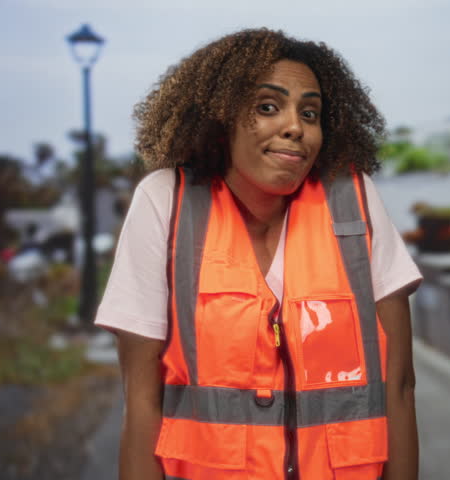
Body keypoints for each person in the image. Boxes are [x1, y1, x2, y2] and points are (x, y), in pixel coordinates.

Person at [95, 28, 422, 480]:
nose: (295, 126)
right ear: (220, 117)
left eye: (310, 113)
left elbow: (400, 388)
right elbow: (142, 402)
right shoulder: (166, 202)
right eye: (268, 107)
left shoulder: (353, 202)